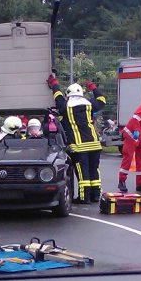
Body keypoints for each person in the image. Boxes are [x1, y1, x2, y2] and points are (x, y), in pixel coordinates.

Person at [48, 74, 105, 203]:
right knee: (94, 170)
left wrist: (54, 83)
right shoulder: (89, 104)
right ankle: (96, 196)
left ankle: (84, 198)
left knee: (82, 172)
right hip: (95, 144)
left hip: (79, 147)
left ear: (68, 93)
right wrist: (93, 87)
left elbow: (58, 97)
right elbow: (102, 100)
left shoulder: (66, 106)